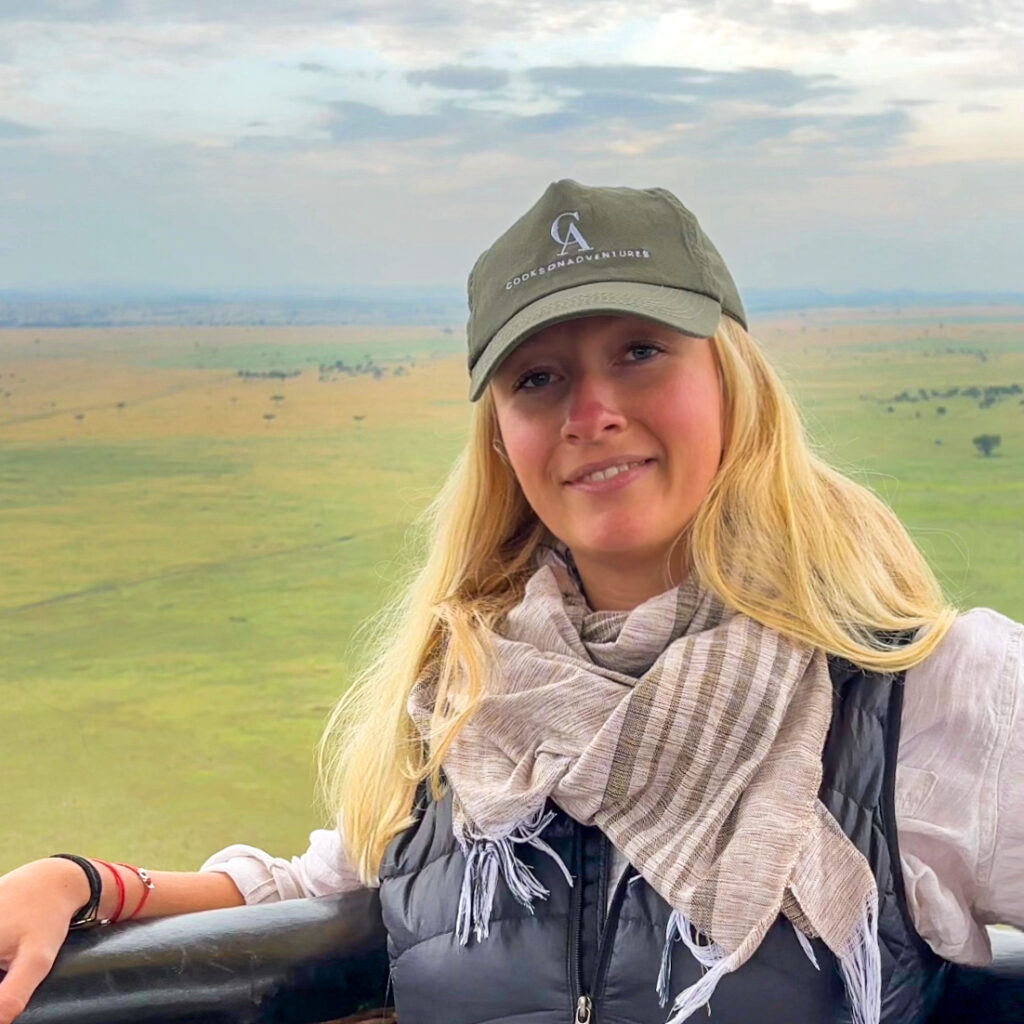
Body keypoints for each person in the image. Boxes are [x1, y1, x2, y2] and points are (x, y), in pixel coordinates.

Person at [0, 180, 1021, 1024]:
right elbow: (332, 890)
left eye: (639, 350)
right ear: (502, 435)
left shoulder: (922, 693)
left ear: (731, 380)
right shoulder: (469, 707)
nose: (591, 412)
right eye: (538, 377)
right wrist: (87, 883)